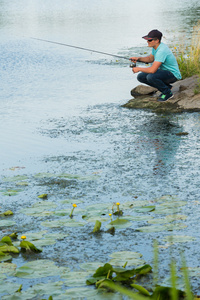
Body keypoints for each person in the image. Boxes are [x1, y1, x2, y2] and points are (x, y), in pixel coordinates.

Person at [130, 29, 182, 102]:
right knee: (141, 76)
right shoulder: (156, 47)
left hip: (173, 75)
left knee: (151, 77)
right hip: (164, 72)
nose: (147, 41)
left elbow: (152, 70)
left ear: (157, 40)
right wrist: (138, 58)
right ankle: (166, 88)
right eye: (147, 40)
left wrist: (138, 68)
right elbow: (150, 59)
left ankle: (167, 93)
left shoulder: (161, 50)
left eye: (150, 40)